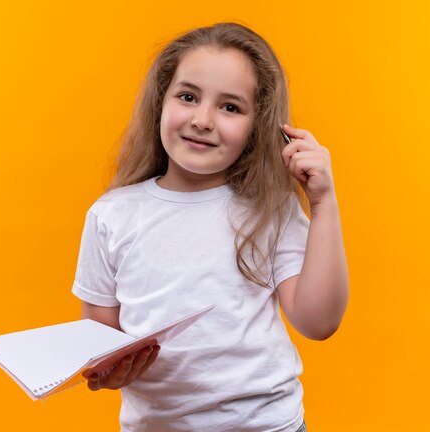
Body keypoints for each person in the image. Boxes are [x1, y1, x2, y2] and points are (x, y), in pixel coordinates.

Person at [72, 22, 349, 432]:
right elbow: (100, 345)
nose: (202, 120)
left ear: (258, 128)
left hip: (268, 425)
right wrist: (107, 373)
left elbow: (318, 322)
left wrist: (324, 204)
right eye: (187, 97)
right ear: (160, 103)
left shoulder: (270, 209)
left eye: (230, 107)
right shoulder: (111, 215)